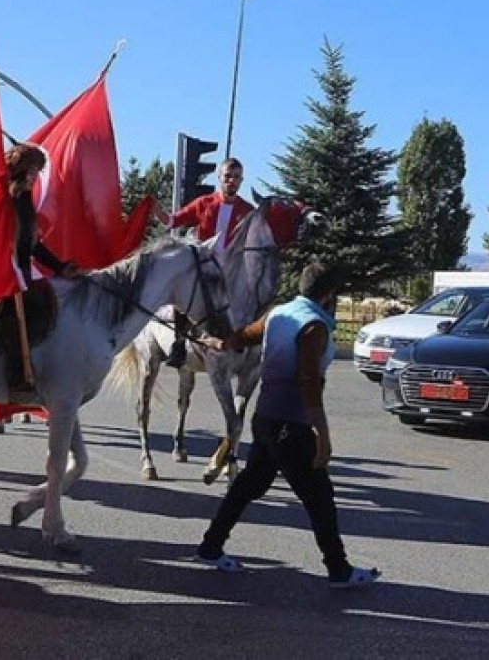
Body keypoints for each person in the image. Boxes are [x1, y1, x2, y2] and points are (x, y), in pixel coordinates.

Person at [194, 262, 381, 590]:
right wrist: (322, 434)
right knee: (319, 495)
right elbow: (308, 380)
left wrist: (215, 342)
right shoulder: (313, 327)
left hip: (265, 418)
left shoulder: (280, 313)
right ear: (328, 294)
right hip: (290, 424)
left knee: (250, 485)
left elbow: (243, 337)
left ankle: (210, 546)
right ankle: (338, 569)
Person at [152, 157, 254, 367]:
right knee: (185, 295)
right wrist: (156, 211)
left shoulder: (247, 210)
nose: (231, 181)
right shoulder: (204, 203)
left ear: (241, 181)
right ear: (219, 178)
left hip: (232, 268)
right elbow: (173, 220)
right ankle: (179, 345)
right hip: (204, 265)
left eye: (236, 177)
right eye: (227, 176)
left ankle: (245, 341)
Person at [0, 143, 82, 395]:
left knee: (51, 303)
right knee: (18, 311)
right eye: (33, 170)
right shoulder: (0, 199)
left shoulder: (25, 201)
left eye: (38, 171)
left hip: (21, 272)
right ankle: (17, 377)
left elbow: (33, 245)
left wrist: (60, 267)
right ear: (21, 170)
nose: (36, 176)